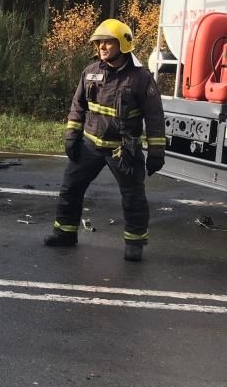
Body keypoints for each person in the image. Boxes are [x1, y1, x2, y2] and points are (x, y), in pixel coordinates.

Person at [45, 19, 166, 262]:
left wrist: (156, 152)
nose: (102, 47)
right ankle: (65, 234)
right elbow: (78, 107)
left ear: (123, 44)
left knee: (133, 196)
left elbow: (154, 118)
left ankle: (135, 243)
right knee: (71, 188)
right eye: (99, 42)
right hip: (90, 145)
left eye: (107, 42)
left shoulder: (141, 79)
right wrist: (72, 137)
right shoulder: (90, 72)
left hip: (123, 149)